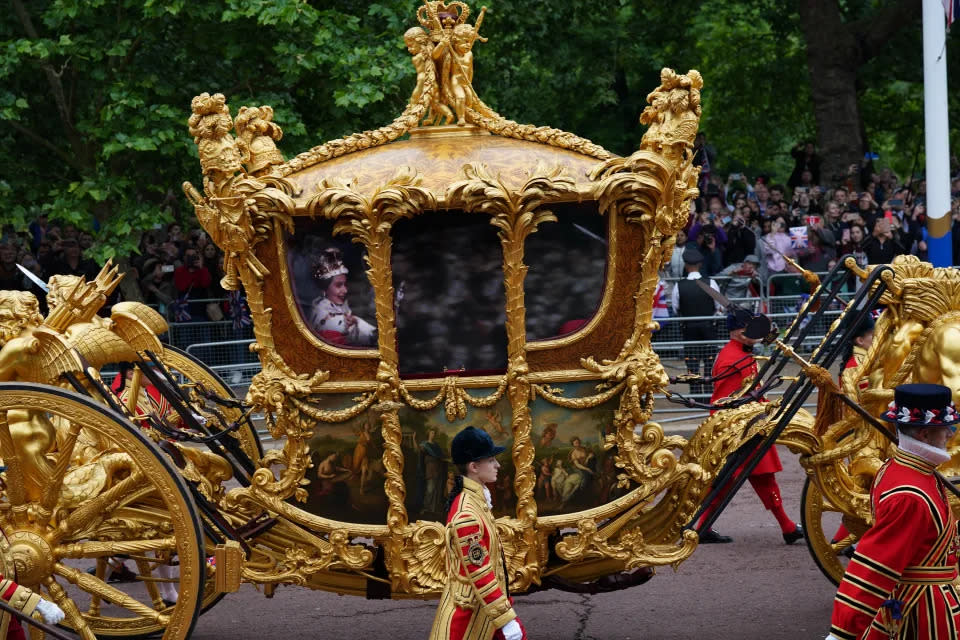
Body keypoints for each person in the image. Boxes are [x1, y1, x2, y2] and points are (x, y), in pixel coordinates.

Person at [826, 384, 960, 640]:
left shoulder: (900, 469)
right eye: (946, 428)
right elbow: (875, 566)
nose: (949, 435)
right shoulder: (910, 494)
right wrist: (841, 632)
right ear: (924, 434)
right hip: (925, 611)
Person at [697, 308, 804, 545]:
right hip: (740, 428)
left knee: (756, 477)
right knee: (728, 480)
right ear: (736, 331)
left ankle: (786, 526)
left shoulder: (740, 351)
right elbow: (730, 399)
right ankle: (703, 525)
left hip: (748, 425)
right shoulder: (732, 358)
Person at [430, 426, 526, 640]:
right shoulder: (467, 514)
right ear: (474, 466)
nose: (497, 465)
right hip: (467, 622)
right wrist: (506, 620)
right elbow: (480, 573)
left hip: (484, 612)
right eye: (491, 460)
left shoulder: (475, 500)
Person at [670, 247, 721, 397]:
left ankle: (696, 393)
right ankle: (709, 393)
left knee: (692, 360)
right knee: (709, 360)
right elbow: (718, 307)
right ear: (700, 264)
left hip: (689, 328)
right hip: (708, 327)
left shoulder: (679, 286)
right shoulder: (710, 283)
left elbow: (675, 308)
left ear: (686, 265)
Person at [309, 248, 376, 347]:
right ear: (325, 288)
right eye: (338, 285)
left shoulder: (342, 308)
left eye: (345, 284)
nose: (345, 290)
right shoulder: (322, 316)